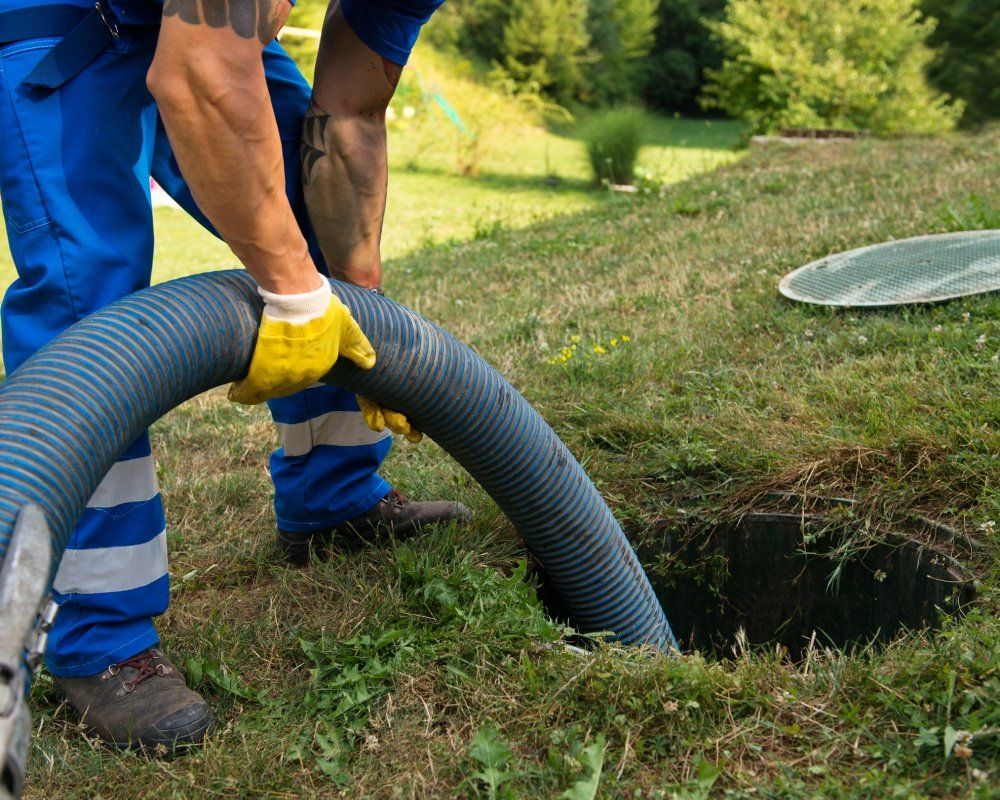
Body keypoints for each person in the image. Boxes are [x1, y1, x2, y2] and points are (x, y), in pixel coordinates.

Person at [0, 0, 466, 750]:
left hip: (192, 21)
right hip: (57, 14)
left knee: (312, 211)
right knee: (88, 300)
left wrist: (357, 298)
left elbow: (347, 115)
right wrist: (291, 288)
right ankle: (96, 637)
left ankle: (333, 497)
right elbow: (198, 76)